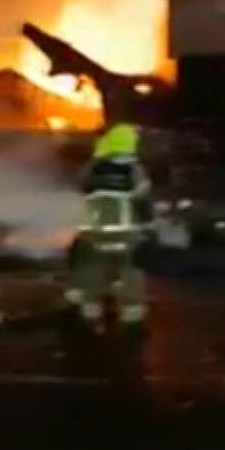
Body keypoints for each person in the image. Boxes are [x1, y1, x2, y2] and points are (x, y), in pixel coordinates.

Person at [65, 123, 154, 327]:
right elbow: (143, 198)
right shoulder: (134, 170)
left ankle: (90, 305)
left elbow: (81, 191)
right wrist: (148, 223)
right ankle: (132, 310)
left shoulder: (92, 168)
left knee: (92, 265)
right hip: (125, 228)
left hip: (93, 228)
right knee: (129, 267)